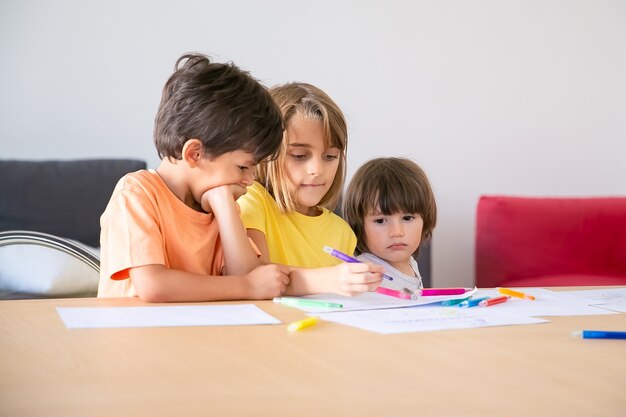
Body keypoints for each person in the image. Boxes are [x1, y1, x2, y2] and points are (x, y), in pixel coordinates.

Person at [98, 53, 290, 302]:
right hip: (137, 336)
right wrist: (246, 287)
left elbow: (247, 275)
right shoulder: (136, 194)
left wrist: (225, 208)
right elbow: (154, 286)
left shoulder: (220, 205)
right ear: (194, 153)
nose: (250, 180)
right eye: (243, 167)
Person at [238, 82, 383, 296]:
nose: (317, 169)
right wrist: (328, 280)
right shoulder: (252, 199)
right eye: (299, 156)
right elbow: (253, 276)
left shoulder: (342, 232)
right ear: (266, 153)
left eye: (330, 156)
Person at [342, 157, 437, 293]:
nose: (396, 232)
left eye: (407, 218)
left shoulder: (410, 262)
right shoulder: (363, 275)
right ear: (359, 225)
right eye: (380, 221)